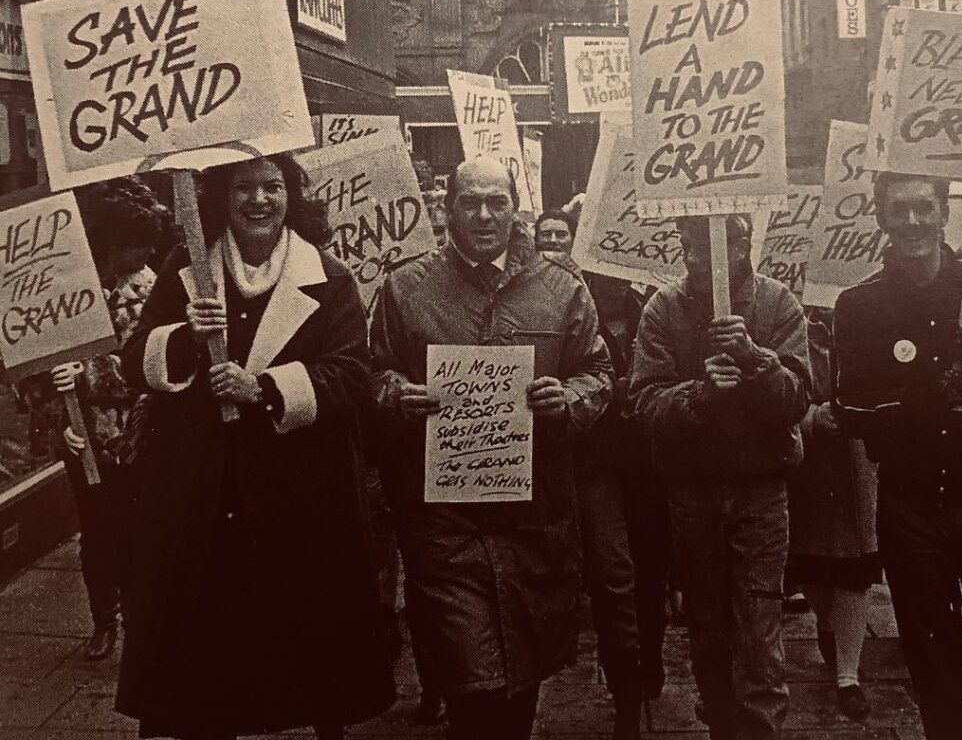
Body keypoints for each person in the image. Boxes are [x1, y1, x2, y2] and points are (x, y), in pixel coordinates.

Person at [116, 154, 395, 740]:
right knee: (204, 657)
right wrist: (186, 337)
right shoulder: (186, 269)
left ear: (291, 196)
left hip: (300, 496)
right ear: (224, 197)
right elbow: (135, 361)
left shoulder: (328, 275)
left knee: (310, 646)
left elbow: (351, 375)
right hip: (202, 497)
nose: (260, 201)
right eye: (246, 188)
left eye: (273, 187)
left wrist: (264, 388)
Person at [371, 157, 612, 740]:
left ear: (516, 210)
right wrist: (396, 395)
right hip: (446, 526)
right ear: (447, 208)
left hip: (534, 520)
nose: (483, 215)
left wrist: (569, 397)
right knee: (471, 677)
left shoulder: (561, 288)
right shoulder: (405, 288)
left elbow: (600, 373)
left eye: (496, 202)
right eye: (469, 202)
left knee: (521, 680)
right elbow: (373, 375)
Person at [832, 172, 962, 740]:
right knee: (935, 663)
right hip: (912, 511)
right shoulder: (860, 305)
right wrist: (920, 398)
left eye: (924, 207)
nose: (913, 222)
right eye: (899, 210)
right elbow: (849, 410)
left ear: (945, 211)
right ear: (881, 218)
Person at [630, 213, 811, 740]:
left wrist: (757, 360)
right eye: (685, 246)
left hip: (760, 493)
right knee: (706, 627)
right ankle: (720, 726)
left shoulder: (778, 306)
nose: (692, 259)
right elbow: (643, 401)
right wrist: (700, 395)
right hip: (692, 493)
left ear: (742, 243)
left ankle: (759, 730)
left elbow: (797, 402)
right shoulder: (663, 308)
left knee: (759, 630)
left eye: (706, 248)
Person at [18, 178, 170, 661]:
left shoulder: (156, 290)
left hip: (144, 432)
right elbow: (29, 369)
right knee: (98, 534)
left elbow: (161, 366)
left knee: (144, 530)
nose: (143, 252)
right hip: (84, 438)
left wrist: (100, 375)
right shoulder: (63, 291)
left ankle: (143, 615)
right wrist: (53, 409)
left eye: (148, 242)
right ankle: (104, 619)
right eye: (133, 243)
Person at [534, 208, 670, 740]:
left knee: (651, 571)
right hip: (594, 463)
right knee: (615, 578)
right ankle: (627, 699)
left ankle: (647, 661)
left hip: (648, 465)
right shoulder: (567, 300)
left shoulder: (650, 306)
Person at [786, 309, 879, 722]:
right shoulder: (787, 325)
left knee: (852, 569)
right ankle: (827, 623)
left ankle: (847, 675)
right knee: (809, 564)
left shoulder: (866, 317)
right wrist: (810, 419)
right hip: (803, 466)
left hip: (857, 464)